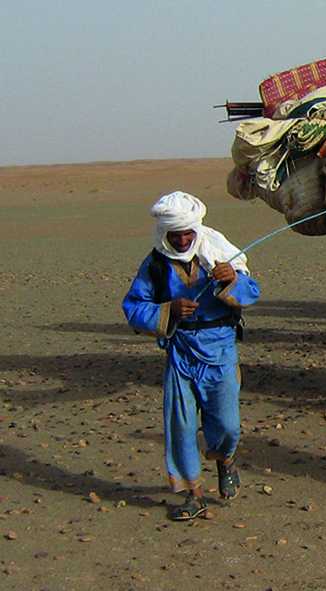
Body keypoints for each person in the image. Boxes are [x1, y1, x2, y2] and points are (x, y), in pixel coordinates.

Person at [122, 191, 260, 521]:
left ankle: (225, 459)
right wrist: (168, 310)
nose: (183, 240)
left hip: (220, 347)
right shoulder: (155, 264)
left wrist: (231, 281)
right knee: (180, 425)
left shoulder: (220, 254)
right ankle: (191, 494)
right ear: (165, 234)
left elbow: (251, 292)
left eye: (187, 233)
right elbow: (133, 306)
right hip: (180, 350)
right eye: (176, 235)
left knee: (226, 424)